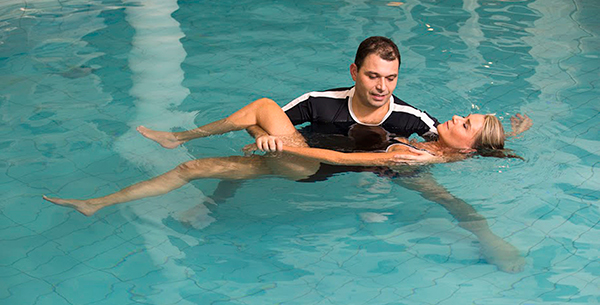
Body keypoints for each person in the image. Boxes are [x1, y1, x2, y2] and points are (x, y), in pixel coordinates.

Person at [44, 98, 526, 273]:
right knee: (202, 163)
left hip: (319, 168)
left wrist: (286, 148)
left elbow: (340, 158)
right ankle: (98, 201)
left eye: (466, 122)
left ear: (466, 147)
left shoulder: (411, 151)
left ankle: (170, 145)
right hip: (382, 171)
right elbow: (472, 151)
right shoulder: (441, 143)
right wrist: (512, 133)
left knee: (259, 114)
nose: (457, 117)